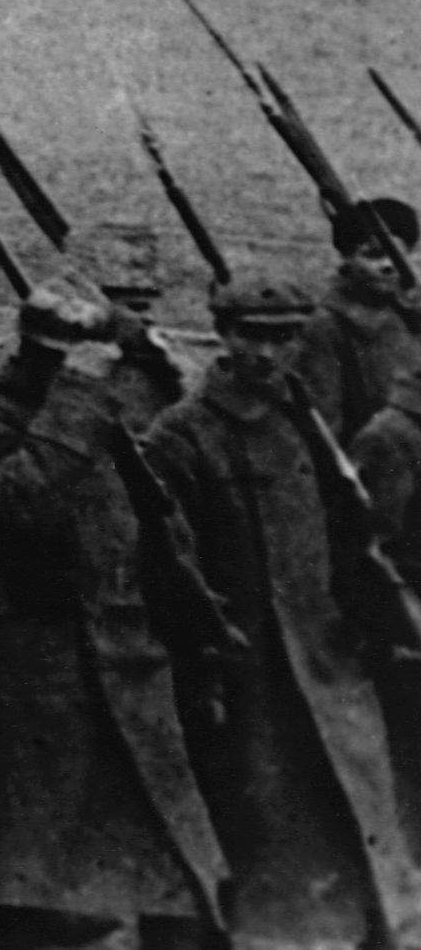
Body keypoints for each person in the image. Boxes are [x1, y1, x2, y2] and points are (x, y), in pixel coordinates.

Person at [0, 281, 232, 950]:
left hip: (143, 668)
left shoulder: (160, 393)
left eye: (140, 305)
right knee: (33, 896)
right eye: (117, 307)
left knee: (182, 887)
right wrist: (82, 389)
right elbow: (18, 500)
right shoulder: (18, 409)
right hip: (42, 687)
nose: (130, 322)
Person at [146, 271, 421, 946]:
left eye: (282, 339)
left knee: (361, 821)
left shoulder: (304, 423)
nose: (266, 354)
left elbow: (350, 535)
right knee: (267, 836)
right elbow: (164, 566)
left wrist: (379, 625)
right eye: (251, 337)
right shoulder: (181, 435)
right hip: (248, 676)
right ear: (223, 335)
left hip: (330, 661)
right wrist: (209, 658)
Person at [290, 194, 421, 442]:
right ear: (346, 258)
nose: (387, 266)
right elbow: (325, 426)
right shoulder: (328, 325)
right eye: (373, 255)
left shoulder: (410, 313)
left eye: (397, 256)